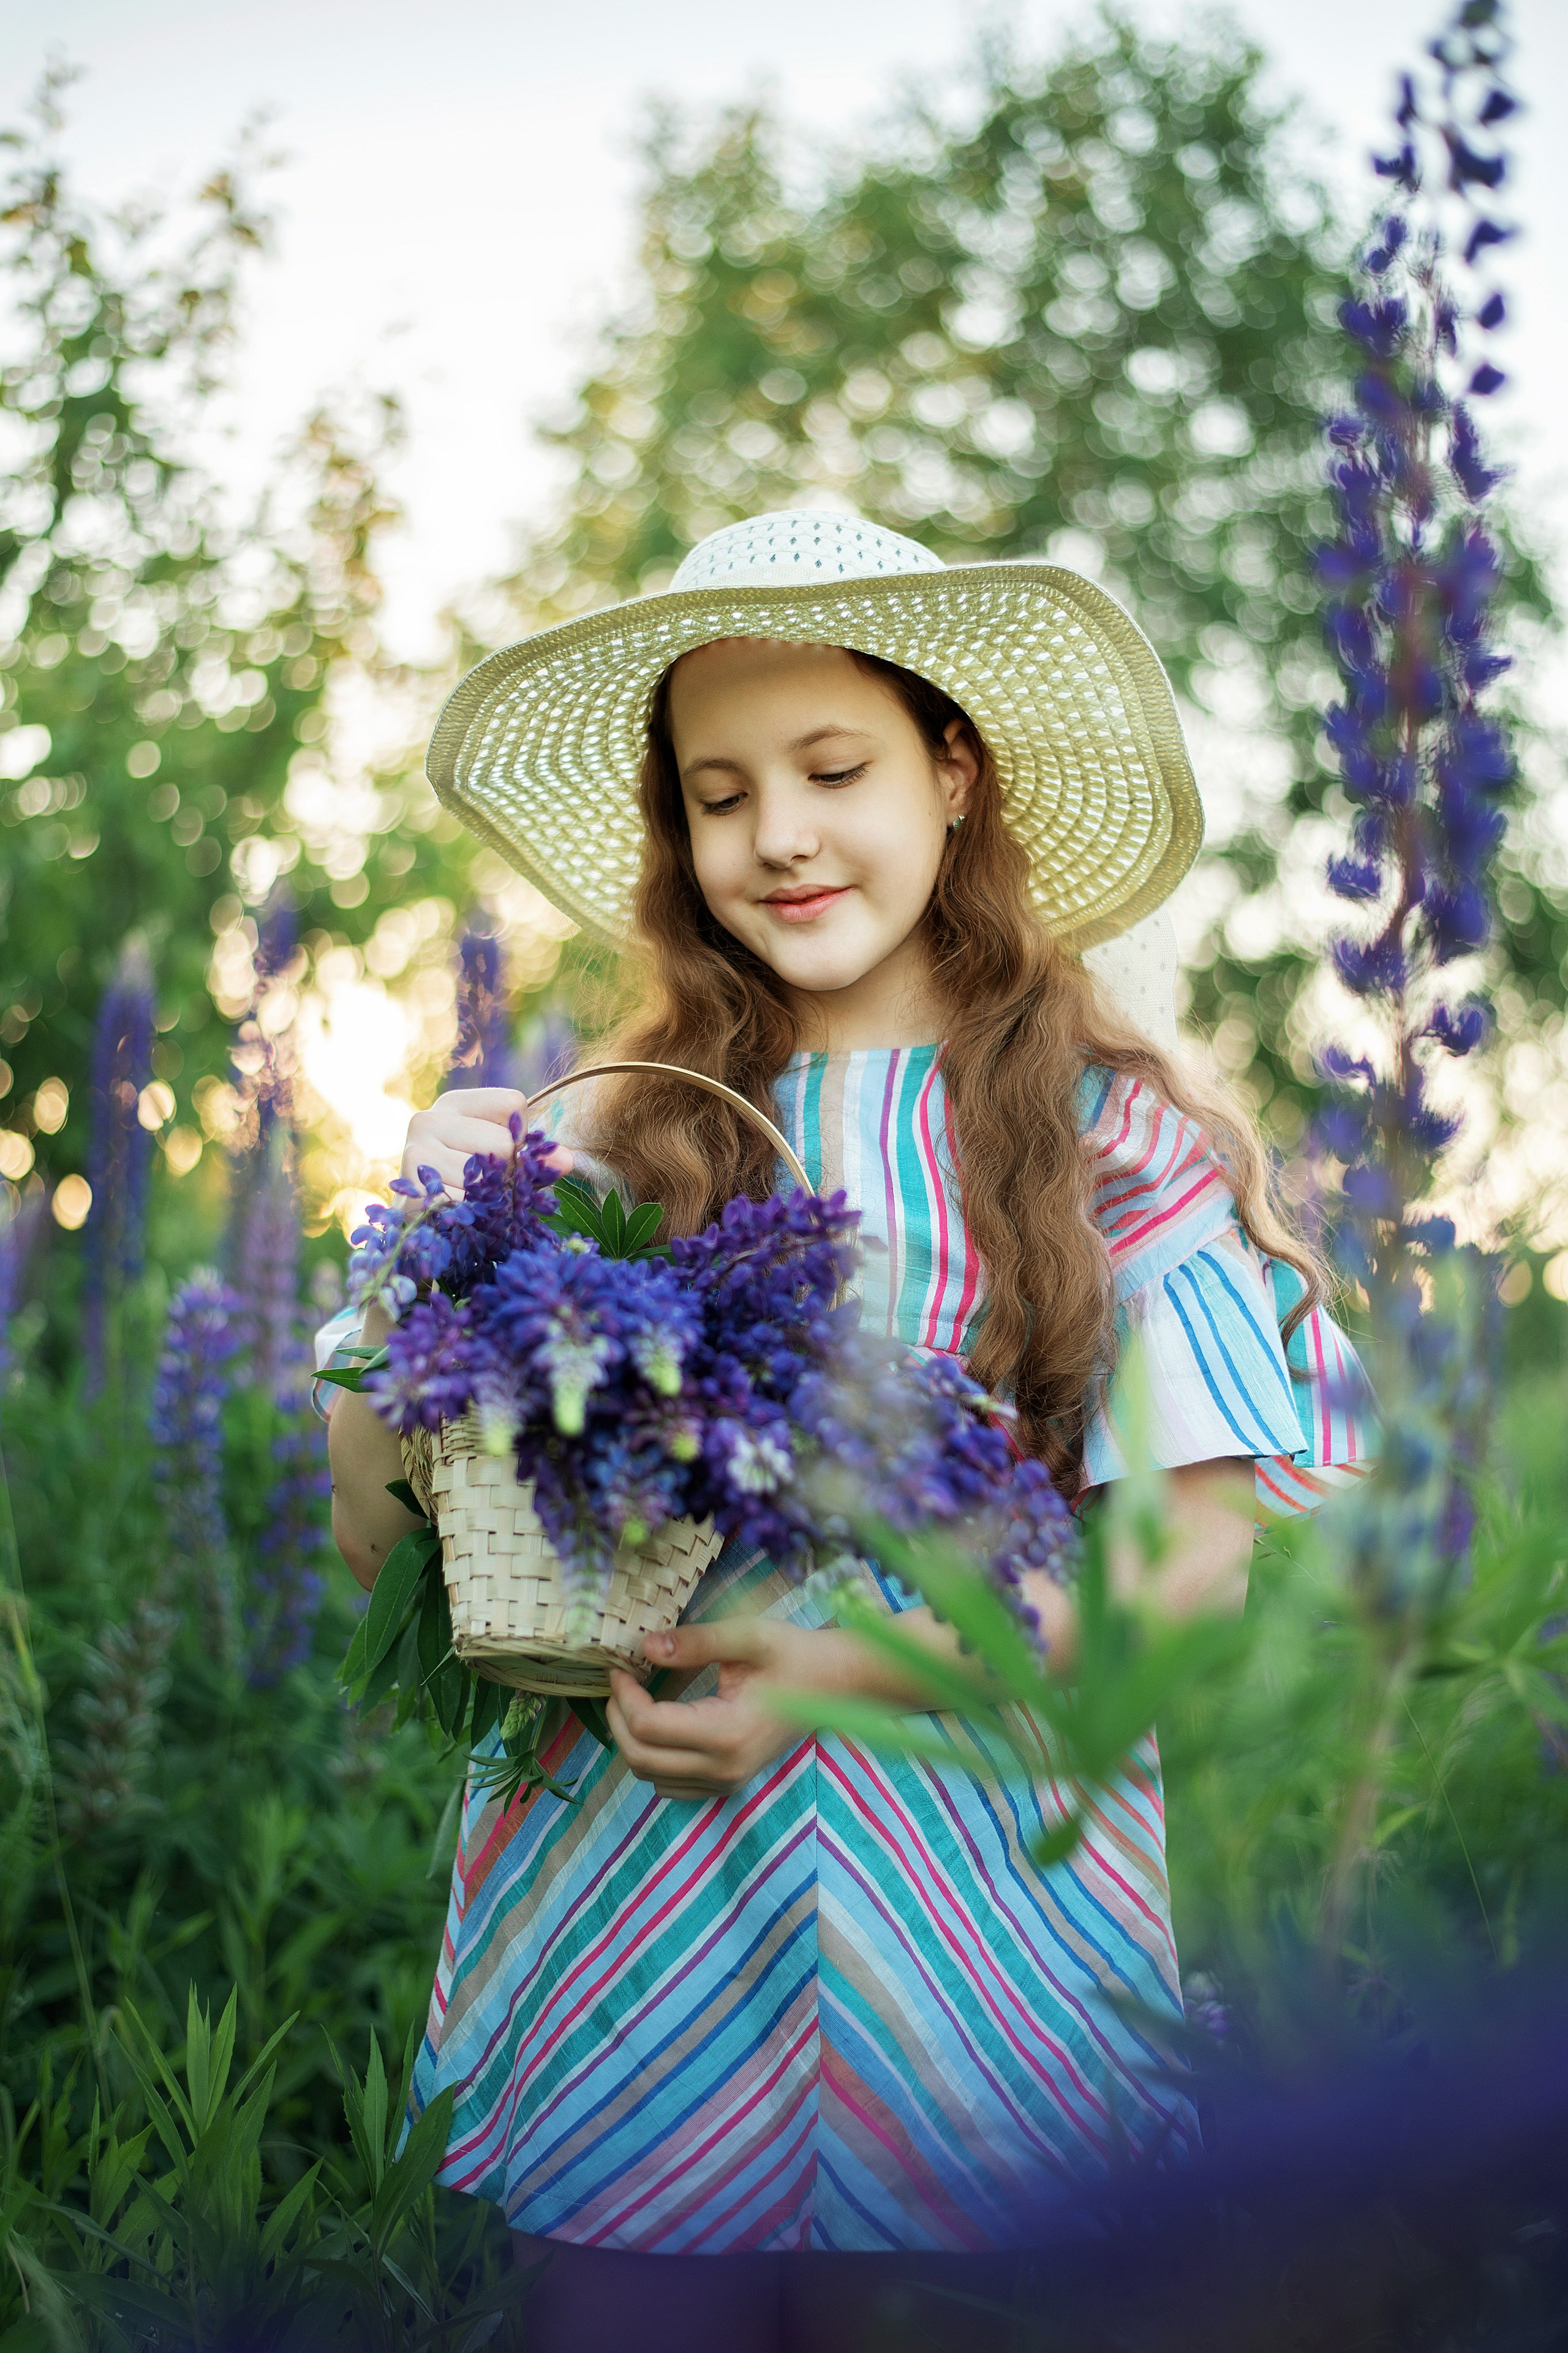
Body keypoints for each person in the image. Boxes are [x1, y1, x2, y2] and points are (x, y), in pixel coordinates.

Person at [323, 512, 1372, 2351]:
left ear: (952, 773)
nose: (780, 834)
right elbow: (388, 1543)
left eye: (835, 767)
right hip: (638, 1935)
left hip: (980, 1951)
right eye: (720, 794)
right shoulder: (613, 1141)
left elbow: (1187, 1579)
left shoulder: (1108, 1140)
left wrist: (834, 1669)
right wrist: (417, 1259)